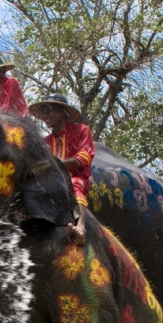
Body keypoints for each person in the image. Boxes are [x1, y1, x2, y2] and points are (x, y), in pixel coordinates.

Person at [29, 93, 95, 245]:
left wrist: (56, 164)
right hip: (52, 181)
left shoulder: (81, 130)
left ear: (61, 111)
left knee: (75, 183)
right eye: (43, 111)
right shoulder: (45, 142)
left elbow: (84, 157)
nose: (45, 115)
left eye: (49, 110)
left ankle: (81, 226)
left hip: (75, 177)